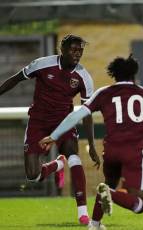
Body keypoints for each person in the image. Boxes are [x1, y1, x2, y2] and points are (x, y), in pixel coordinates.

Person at [39, 55, 143, 230]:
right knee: (140, 204)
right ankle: (108, 195)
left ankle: (94, 224)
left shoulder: (103, 93)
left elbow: (77, 115)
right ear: (134, 74)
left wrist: (54, 135)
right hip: (134, 152)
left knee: (109, 181)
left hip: (111, 151)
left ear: (114, 74)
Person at [0, 34, 99, 224]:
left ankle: (83, 214)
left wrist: (92, 145)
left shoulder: (84, 77)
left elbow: (87, 113)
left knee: (73, 154)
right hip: (38, 121)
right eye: (73, 49)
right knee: (32, 175)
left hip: (64, 122)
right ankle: (57, 165)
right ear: (62, 50)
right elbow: (15, 79)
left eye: (80, 50)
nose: (78, 54)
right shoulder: (42, 64)